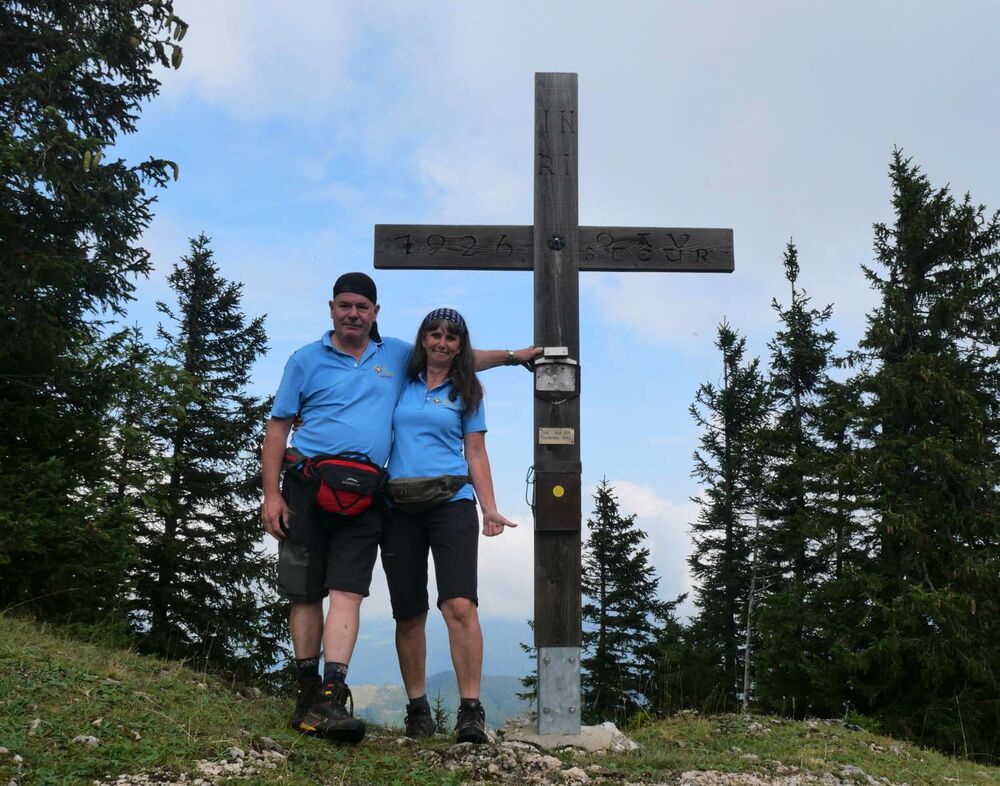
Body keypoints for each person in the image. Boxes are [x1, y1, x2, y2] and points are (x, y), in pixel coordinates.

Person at [261, 273, 535, 744]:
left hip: (399, 497)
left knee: (371, 594)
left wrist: (514, 357)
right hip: (339, 491)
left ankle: (344, 699)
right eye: (345, 305)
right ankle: (325, 696)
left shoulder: (411, 365)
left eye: (361, 307)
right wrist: (271, 494)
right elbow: (278, 426)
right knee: (325, 596)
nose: (353, 314)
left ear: (375, 313)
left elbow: (461, 370)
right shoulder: (318, 361)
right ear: (331, 308)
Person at [381, 307, 517, 744]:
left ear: (460, 346)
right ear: (423, 338)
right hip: (398, 503)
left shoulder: (467, 390)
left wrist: (489, 507)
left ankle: (470, 712)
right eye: (434, 334)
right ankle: (417, 710)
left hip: (452, 502)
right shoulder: (399, 379)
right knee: (408, 612)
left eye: (451, 337)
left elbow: (475, 451)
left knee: (459, 605)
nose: (441, 343)